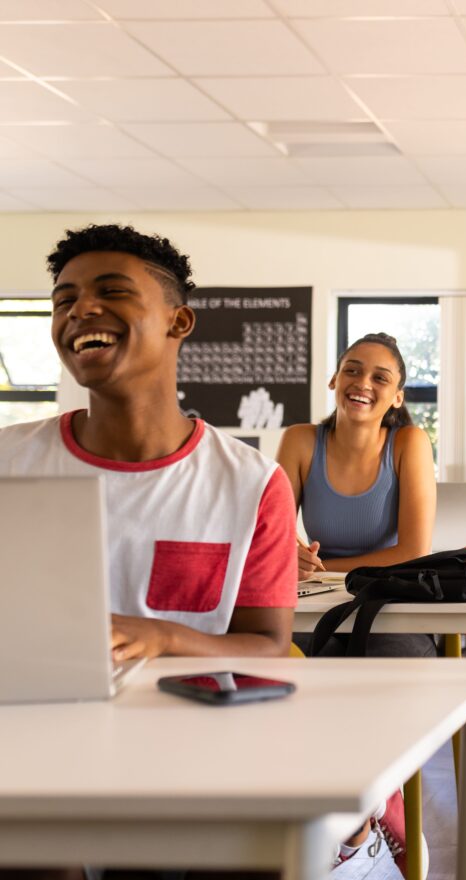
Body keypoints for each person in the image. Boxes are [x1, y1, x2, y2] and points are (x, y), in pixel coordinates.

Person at [0, 224, 297, 876]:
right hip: (33, 742)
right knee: (34, 852)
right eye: (63, 300)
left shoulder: (251, 484)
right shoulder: (8, 462)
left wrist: (161, 637)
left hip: (191, 747)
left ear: (178, 322)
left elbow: (268, 646)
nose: (80, 309)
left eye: (111, 291)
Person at [276, 332, 436, 658]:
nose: (362, 383)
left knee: (385, 663)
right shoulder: (299, 440)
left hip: (391, 604)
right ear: (334, 380)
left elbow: (413, 552)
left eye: (380, 378)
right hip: (316, 601)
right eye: (352, 370)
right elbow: (273, 532)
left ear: (397, 397)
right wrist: (290, 553)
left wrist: (319, 568)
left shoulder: (409, 442)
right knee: (287, 656)